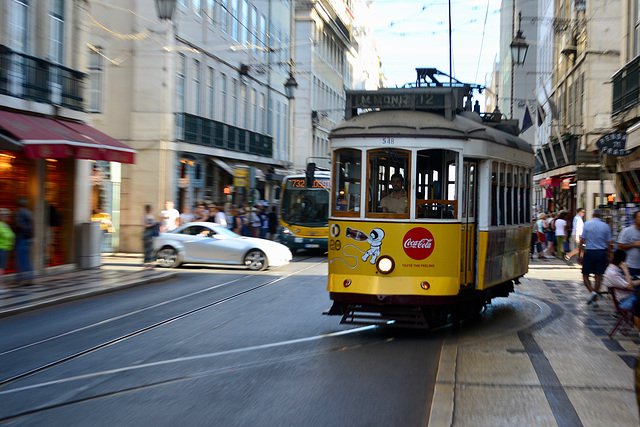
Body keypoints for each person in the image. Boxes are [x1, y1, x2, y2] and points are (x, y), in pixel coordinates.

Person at [579, 208, 613, 307]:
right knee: (598, 275)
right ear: (601, 216)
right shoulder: (606, 226)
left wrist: (580, 252)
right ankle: (595, 296)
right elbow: (609, 243)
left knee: (585, 275)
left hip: (589, 252)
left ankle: (592, 292)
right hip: (601, 253)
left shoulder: (587, 224)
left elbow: (582, 240)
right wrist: (610, 255)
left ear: (592, 215)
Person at [15, 197, 34, 284]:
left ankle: (21, 278)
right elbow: (32, 226)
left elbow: (19, 225)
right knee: (26, 258)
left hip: (21, 237)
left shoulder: (19, 212)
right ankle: (30, 277)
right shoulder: (30, 213)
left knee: (20, 258)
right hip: (27, 238)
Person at [617, 210, 640, 277]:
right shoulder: (627, 231)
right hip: (629, 265)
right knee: (629, 285)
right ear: (635, 219)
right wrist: (634, 244)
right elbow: (620, 246)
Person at [0, 209, 15, 293]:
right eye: (5, 215)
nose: (7, 216)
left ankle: (2, 285)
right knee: (0, 269)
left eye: (8, 215)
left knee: (2, 269)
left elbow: (11, 236)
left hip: (6, 250)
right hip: (1, 249)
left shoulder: (6, 225)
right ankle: (1, 286)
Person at [142, 204, 159, 269]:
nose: (149, 210)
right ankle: (146, 263)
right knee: (146, 249)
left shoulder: (152, 216)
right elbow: (144, 225)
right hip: (147, 233)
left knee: (152, 249)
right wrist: (152, 224)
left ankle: (151, 263)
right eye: (148, 209)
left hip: (152, 233)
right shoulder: (144, 216)